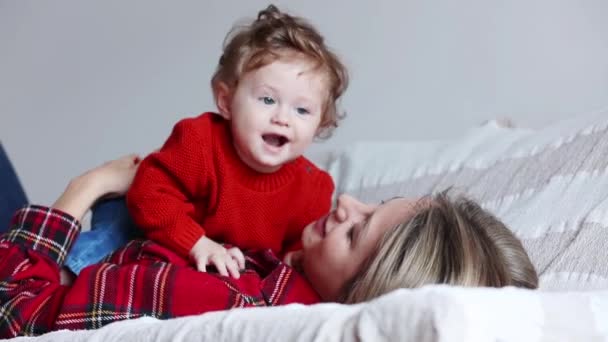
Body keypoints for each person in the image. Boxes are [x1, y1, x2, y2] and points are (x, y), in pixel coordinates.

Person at [0, 155, 538, 337]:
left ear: (360, 299)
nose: (348, 201)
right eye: (374, 205)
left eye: (356, 231)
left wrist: (89, 185)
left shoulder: (224, 302)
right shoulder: (270, 263)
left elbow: (17, 314)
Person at [64, 4, 350, 279]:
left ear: (320, 125)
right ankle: (59, 275)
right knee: (111, 238)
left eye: (302, 110)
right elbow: (149, 195)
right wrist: (196, 243)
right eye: (267, 99)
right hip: (148, 218)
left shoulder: (314, 189)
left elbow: (296, 252)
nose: (282, 118)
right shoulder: (199, 141)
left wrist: (293, 262)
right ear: (226, 101)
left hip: (207, 256)